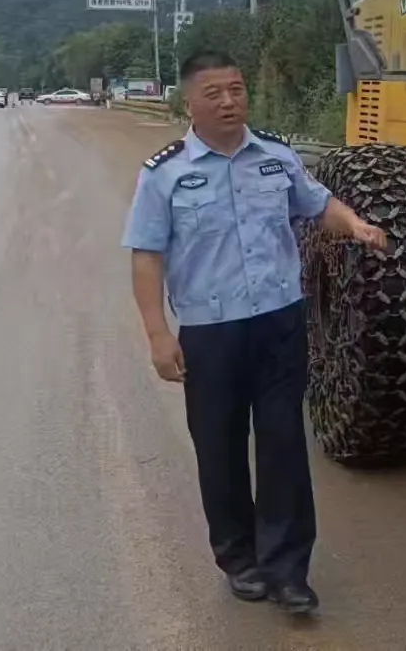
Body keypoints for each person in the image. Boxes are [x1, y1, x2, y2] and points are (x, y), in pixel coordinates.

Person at [120, 51, 387, 616]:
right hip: (210, 332)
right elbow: (146, 257)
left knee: (283, 443)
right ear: (189, 103)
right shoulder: (164, 173)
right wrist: (158, 335)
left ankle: (288, 570)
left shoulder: (275, 156)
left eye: (236, 90)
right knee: (218, 448)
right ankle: (239, 559)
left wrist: (355, 224)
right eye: (214, 93)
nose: (228, 102)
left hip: (278, 324)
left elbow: (318, 205)